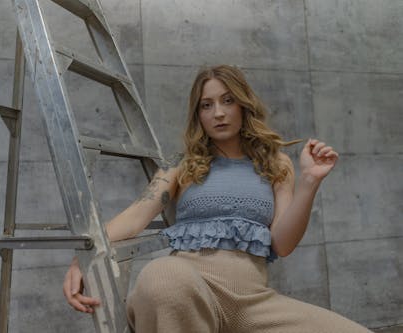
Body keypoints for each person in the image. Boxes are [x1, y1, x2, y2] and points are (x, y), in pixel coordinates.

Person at [63, 65, 372, 333]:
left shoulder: (276, 164)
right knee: (162, 275)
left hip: (251, 303)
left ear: (244, 105)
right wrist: (84, 257)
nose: (219, 113)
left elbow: (282, 243)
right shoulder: (180, 164)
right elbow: (133, 218)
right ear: (198, 114)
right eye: (206, 105)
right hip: (186, 293)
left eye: (228, 101)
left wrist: (309, 183)